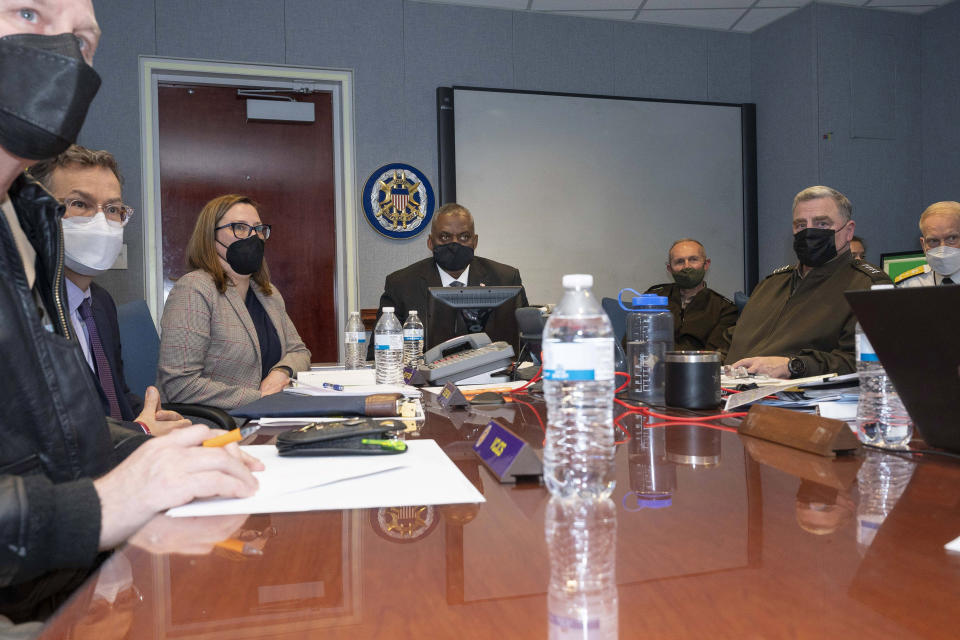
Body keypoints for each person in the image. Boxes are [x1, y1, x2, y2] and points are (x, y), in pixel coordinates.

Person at [0, 0, 262, 606]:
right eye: (31, 16)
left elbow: (53, 441)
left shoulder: (23, 238)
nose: (64, 54)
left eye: (85, 41)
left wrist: (154, 450)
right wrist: (108, 502)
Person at [28, 145, 189, 432]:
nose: (101, 222)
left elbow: (115, 398)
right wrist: (143, 432)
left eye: (113, 209)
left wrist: (152, 416)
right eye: (80, 204)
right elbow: (46, 429)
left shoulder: (100, 303)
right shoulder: (24, 307)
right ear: (37, 211)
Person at [157, 194, 311, 409]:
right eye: (239, 227)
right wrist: (259, 397)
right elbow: (180, 385)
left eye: (258, 229)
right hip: (214, 425)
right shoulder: (194, 289)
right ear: (210, 236)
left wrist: (281, 372)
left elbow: (299, 352)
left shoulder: (268, 294)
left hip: (265, 415)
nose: (253, 236)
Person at [725, 186, 890, 379]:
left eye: (822, 224)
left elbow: (867, 363)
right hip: (728, 396)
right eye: (801, 225)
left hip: (800, 403)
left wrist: (793, 366)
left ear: (849, 231)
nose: (809, 232)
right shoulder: (771, 285)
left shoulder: (867, 286)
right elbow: (730, 344)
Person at [370, 202, 528, 355]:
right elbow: (378, 354)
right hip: (425, 379)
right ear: (431, 242)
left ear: (475, 241)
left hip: (493, 378)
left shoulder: (506, 278)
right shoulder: (401, 284)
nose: (455, 244)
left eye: (464, 237)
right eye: (445, 237)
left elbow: (525, 348)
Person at [645, 238, 738, 352]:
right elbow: (631, 344)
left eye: (693, 260)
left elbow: (715, 356)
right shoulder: (653, 297)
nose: (687, 267)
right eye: (679, 261)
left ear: (706, 264)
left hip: (696, 367)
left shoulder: (724, 309)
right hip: (654, 365)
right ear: (669, 269)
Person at [895, 201, 960, 287]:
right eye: (933, 241)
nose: (942, 249)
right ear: (923, 245)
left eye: (952, 238)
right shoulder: (908, 285)